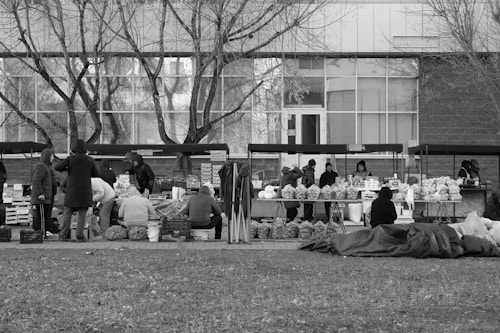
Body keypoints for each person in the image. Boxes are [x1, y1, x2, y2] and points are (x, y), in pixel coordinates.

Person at [55, 139, 99, 242]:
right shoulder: (89, 160)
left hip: (71, 191)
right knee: (82, 214)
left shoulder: (70, 159)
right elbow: (96, 174)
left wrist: (68, 168)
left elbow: (57, 167)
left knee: (68, 213)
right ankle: (79, 235)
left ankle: (63, 235)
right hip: (84, 191)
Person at [30, 148, 56, 234]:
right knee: (41, 216)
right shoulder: (41, 167)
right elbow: (36, 180)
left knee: (43, 216)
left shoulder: (46, 167)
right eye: (51, 156)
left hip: (45, 197)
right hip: (41, 198)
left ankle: (42, 232)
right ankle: (40, 233)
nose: (53, 158)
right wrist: (40, 193)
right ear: (47, 157)